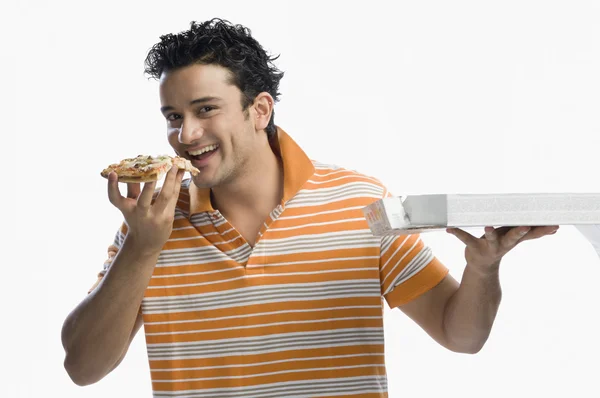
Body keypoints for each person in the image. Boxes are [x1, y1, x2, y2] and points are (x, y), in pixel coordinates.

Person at [61, 18, 558, 397]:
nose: (185, 135)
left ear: (260, 110)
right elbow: (82, 367)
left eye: (205, 109)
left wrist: (482, 268)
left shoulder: (359, 202)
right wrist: (143, 249)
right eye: (174, 116)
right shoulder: (151, 226)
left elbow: (460, 334)